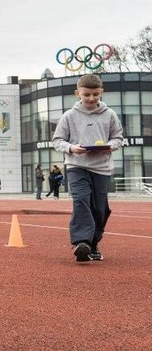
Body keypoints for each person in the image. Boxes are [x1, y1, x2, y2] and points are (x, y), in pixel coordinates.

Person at [51, 74, 124, 262]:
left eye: (95, 94)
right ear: (77, 94)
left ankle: (93, 242)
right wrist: (71, 148)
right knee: (81, 199)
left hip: (101, 168)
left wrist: (109, 146)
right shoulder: (69, 116)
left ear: (101, 93)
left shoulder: (110, 114)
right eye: (86, 94)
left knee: (100, 209)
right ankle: (81, 242)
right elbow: (57, 140)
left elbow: (118, 138)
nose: (91, 98)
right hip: (76, 166)